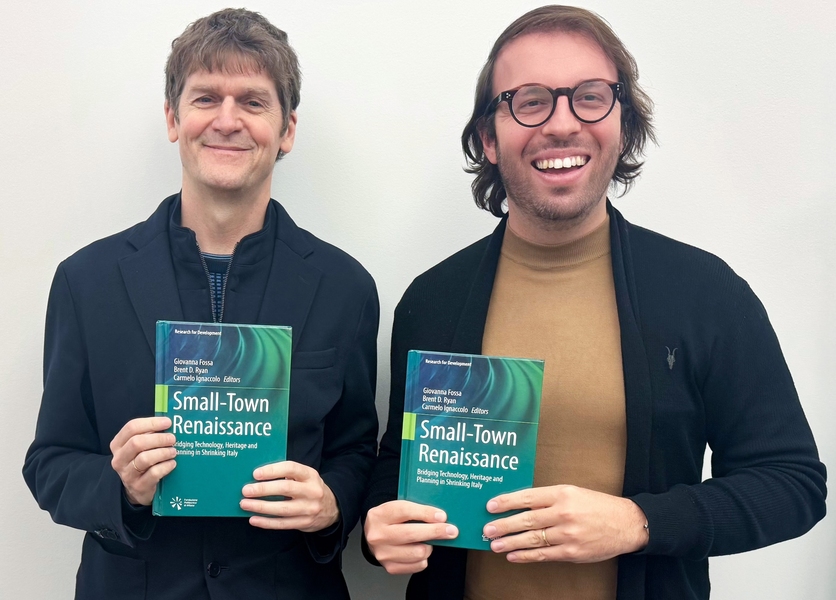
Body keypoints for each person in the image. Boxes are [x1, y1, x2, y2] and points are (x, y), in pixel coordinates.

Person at [362, 5, 826, 599]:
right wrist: (381, 524)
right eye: (529, 100)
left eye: (589, 96)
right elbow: (398, 464)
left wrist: (640, 523)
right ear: (489, 138)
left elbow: (792, 485)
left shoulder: (707, 293)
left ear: (624, 124)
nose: (561, 124)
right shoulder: (432, 299)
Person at [23, 8, 379, 599]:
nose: (228, 120)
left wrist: (332, 502)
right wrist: (121, 486)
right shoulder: (87, 281)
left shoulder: (345, 287)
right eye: (206, 97)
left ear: (287, 130)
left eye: (254, 102)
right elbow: (51, 461)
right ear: (173, 118)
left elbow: (356, 449)